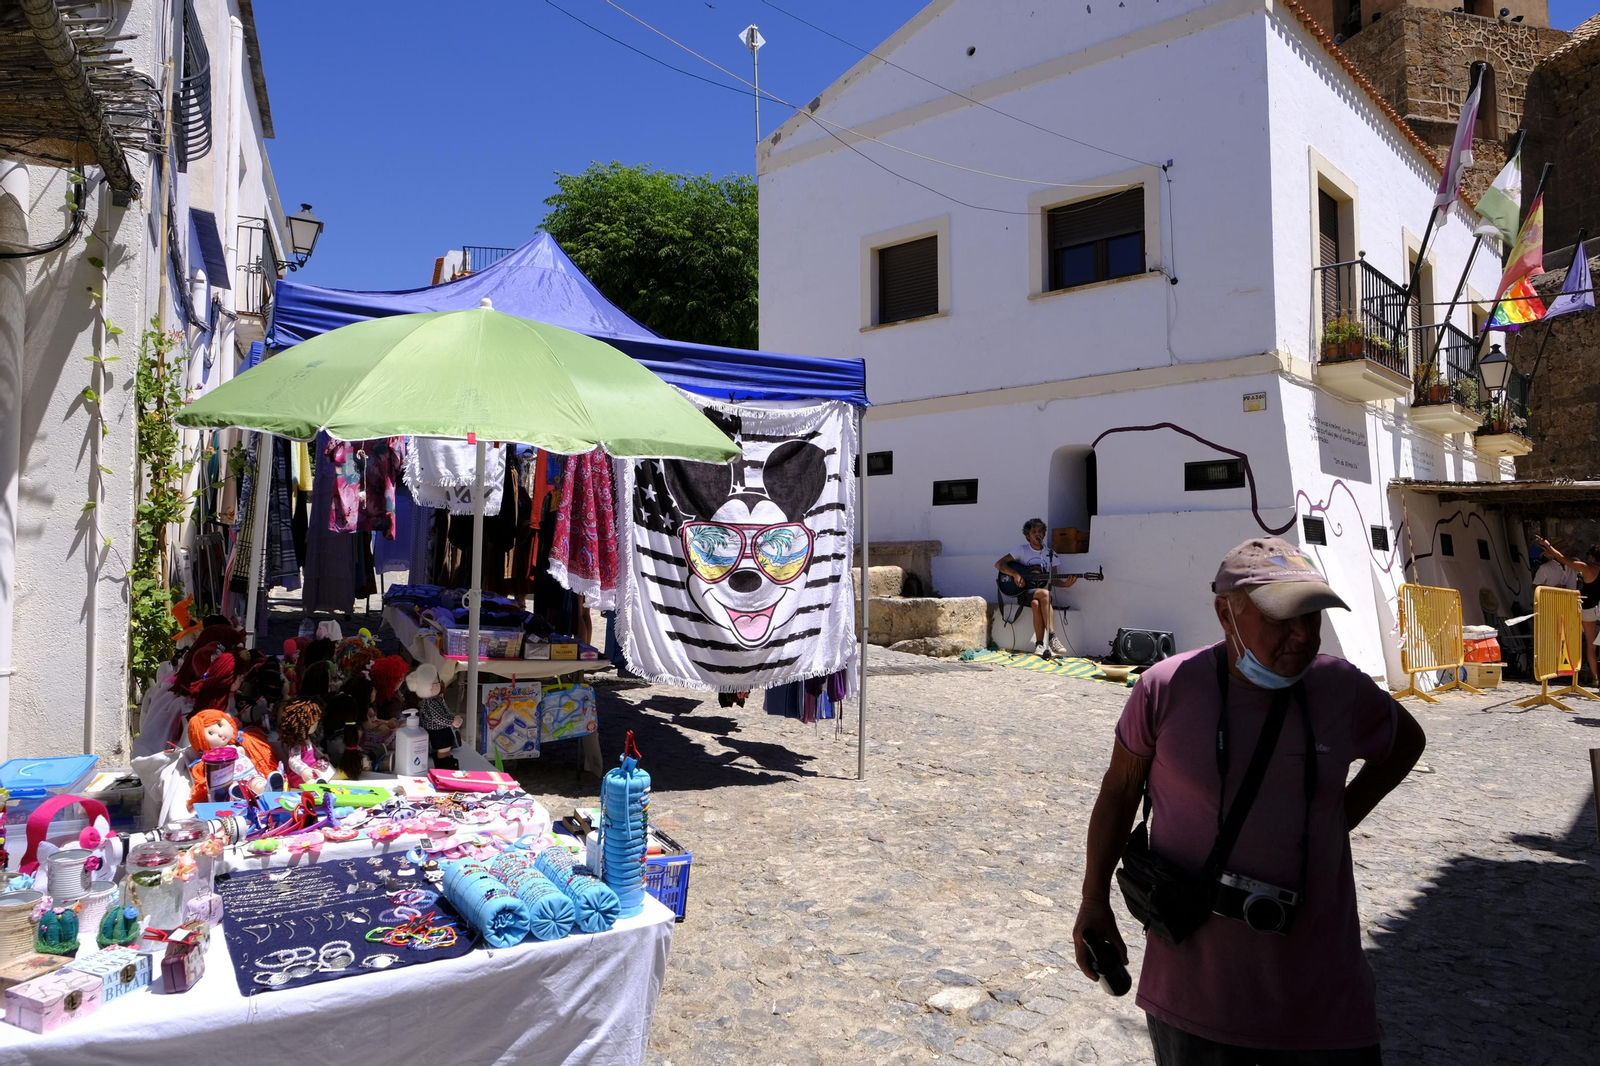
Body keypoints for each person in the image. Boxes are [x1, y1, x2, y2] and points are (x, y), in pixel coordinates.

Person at [1072, 536, 1426, 1064]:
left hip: (1321, 992)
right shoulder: (1166, 688)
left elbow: (1405, 744)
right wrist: (1094, 900)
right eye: (1282, 619)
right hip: (1193, 989)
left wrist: (1336, 819)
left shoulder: (1339, 688)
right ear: (1225, 614)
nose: (1303, 637)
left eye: (1312, 618)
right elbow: (1120, 791)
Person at [995, 518, 1078, 659]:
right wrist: (1015, 574)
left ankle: (1039, 645)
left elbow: (1053, 579)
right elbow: (999, 564)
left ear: (1044, 534)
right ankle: (1052, 637)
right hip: (1023, 592)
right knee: (1045, 593)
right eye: (1034, 531)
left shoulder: (1050, 554)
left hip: (1037, 595)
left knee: (1036, 603)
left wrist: (1065, 584)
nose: (1037, 533)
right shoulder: (1022, 550)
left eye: (1040, 531)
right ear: (1028, 536)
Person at [1531, 536, 1600, 684]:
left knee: (1585, 644)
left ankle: (1593, 677)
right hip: (1587, 609)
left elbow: (1562, 557)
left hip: (1581, 609)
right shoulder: (1550, 568)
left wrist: (1549, 547)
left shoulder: (1582, 567)